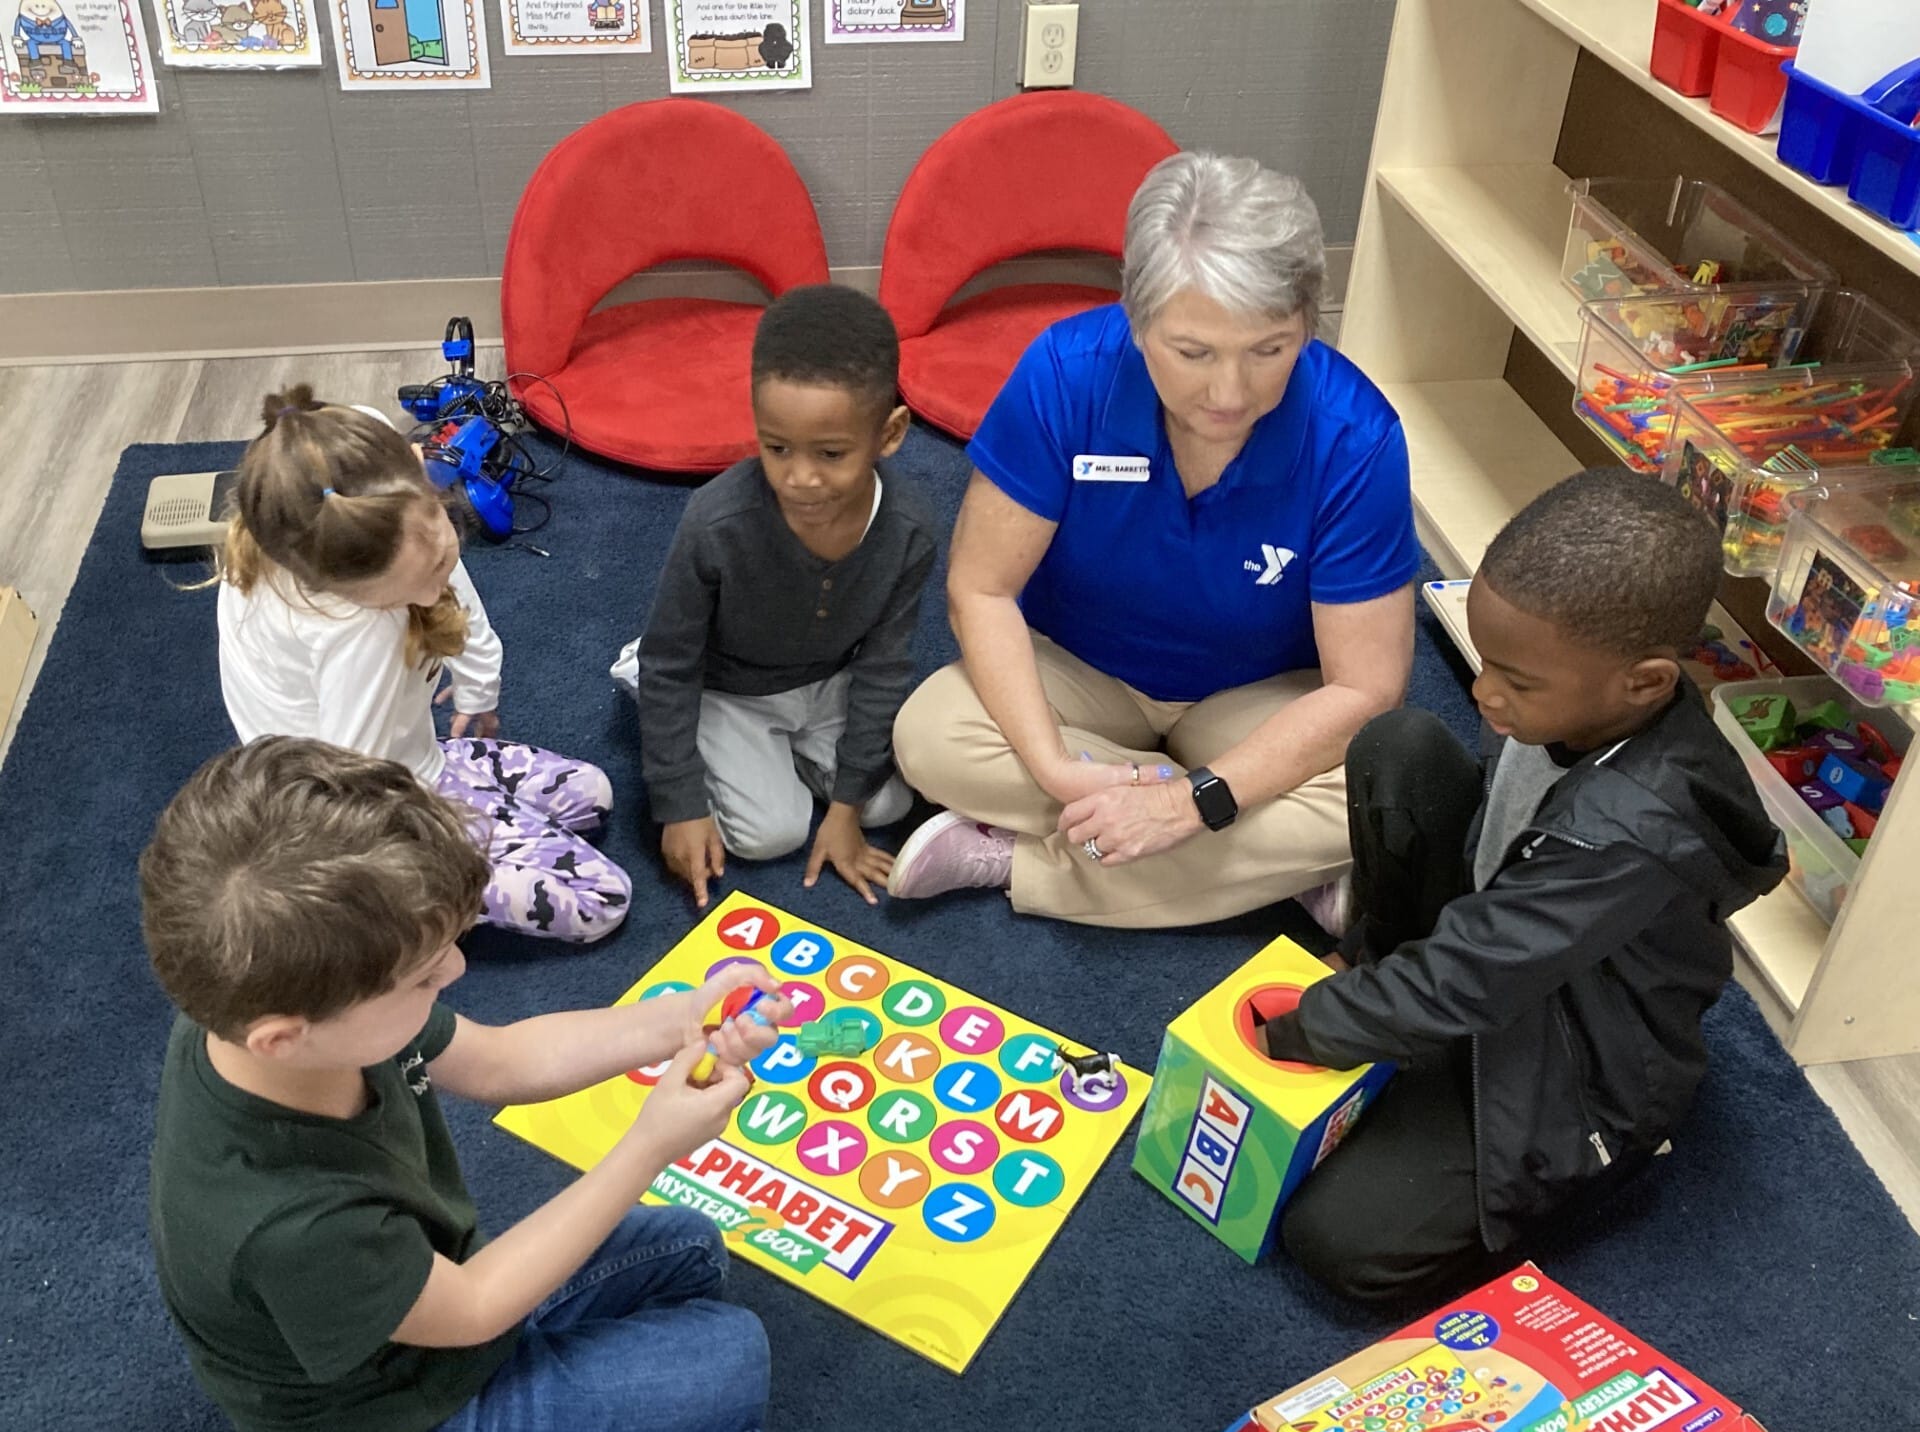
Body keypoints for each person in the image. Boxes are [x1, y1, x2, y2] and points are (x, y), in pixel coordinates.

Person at [143, 736, 786, 1432]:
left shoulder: (272, 1004)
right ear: (285, 1037)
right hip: (392, 1411)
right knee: (734, 1356)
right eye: (423, 977)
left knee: (692, 1251)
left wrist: (679, 1019)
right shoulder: (290, 1225)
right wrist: (649, 1146)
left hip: (431, 1296)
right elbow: (477, 1306)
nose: (454, 970)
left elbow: (503, 1062)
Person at [1263, 469, 1789, 1303]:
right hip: (1506, 940)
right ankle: (1391, 992)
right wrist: (1376, 970)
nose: (1482, 692)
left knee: (1338, 1243)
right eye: (1485, 661)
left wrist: (1304, 1031)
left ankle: (1601, 1171)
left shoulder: (1632, 833)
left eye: (1517, 680)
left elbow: (1474, 975)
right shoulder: (1576, 696)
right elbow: (1493, 910)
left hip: (1577, 1054)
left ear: (1645, 682)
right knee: (1399, 747)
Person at [886, 152, 1417, 928]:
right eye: (1193, 352)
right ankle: (1268, 864)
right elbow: (981, 589)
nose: (1229, 393)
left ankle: (1018, 862)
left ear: (1309, 323)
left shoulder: (1357, 437)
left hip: (1260, 694)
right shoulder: (1065, 375)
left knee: (1385, 787)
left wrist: (1195, 803)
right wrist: (1056, 769)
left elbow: (1365, 689)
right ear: (1136, 321)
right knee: (929, 736)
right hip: (1082, 669)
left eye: (1269, 350)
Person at [214, 387, 630, 943]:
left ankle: (454, 792)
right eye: (414, 586)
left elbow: (443, 578)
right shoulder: (357, 632)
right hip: (363, 808)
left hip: (406, 758)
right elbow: (350, 790)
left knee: (593, 796)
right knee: (601, 899)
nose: (438, 584)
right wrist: (415, 867)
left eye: (438, 550)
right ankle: (402, 893)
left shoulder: (361, 470)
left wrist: (479, 680)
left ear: (415, 469)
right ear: (353, 591)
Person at [633, 285, 938, 908]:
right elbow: (670, 663)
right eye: (776, 448)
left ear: (890, 434)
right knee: (769, 835)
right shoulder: (715, 522)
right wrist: (679, 802)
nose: (799, 477)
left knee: (886, 804)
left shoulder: (910, 529)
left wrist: (846, 809)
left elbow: (884, 667)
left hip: (827, 682)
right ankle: (648, 692)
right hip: (729, 687)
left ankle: (799, 763)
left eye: (831, 453)